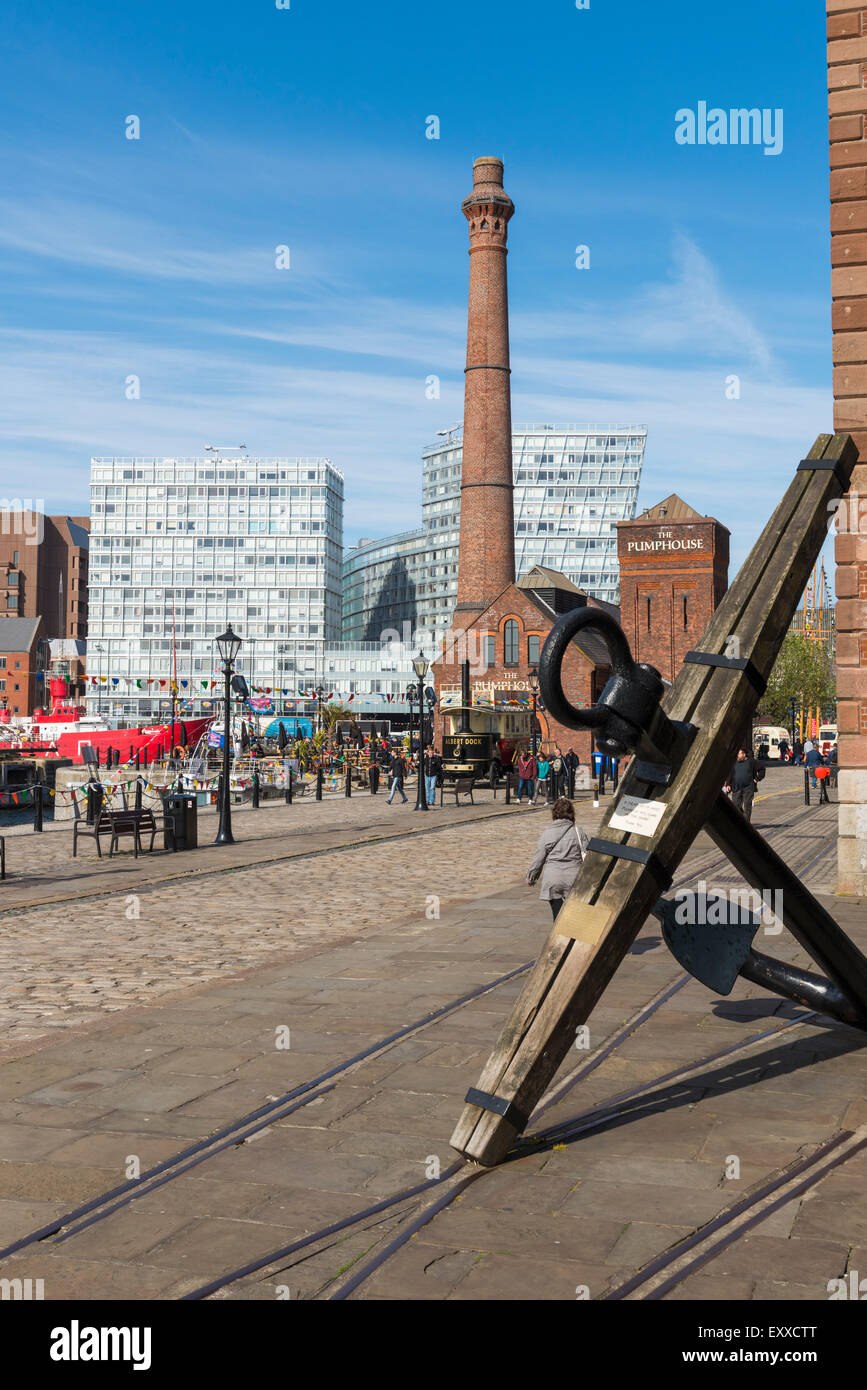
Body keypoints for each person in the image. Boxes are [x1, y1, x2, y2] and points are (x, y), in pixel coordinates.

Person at [526, 797, 589, 920]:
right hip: (574, 877)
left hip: (553, 878)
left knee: (558, 916)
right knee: (574, 917)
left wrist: (532, 877)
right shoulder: (578, 831)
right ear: (571, 813)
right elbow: (587, 854)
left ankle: (558, 936)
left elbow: (539, 857)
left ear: (554, 813)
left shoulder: (547, 833)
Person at [724, 746, 764, 821]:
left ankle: (746, 823)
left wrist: (756, 779)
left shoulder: (752, 762)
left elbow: (762, 769)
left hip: (748, 788)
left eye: (739, 754)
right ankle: (741, 818)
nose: (737, 756)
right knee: (736, 806)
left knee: (747, 806)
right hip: (736, 787)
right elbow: (730, 773)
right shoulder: (734, 762)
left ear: (744, 754)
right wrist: (728, 784)